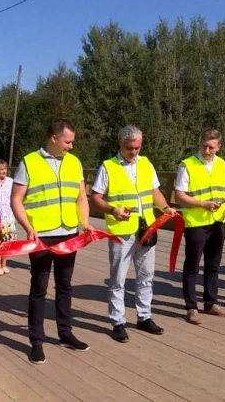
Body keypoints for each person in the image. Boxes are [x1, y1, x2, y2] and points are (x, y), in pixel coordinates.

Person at [10, 120, 94, 364]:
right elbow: (16, 199)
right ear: (54, 139)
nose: (71, 146)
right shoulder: (29, 162)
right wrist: (28, 228)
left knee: (65, 285)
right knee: (39, 287)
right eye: (68, 141)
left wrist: (85, 222)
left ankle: (65, 333)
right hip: (42, 235)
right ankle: (36, 341)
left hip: (69, 232)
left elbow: (81, 197)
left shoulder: (75, 162)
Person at [91, 125, 176, 343]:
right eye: (130, 148)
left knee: (146, 275)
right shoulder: (108, 167)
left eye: (138, 148)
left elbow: (155, 191)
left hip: (146, 227)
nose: (134, 152)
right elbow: (96, 197)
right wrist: (113, 210)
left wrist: (165, 208)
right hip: (121, 231)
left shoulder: (146, 163)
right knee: (118, 279)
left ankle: (144, 316)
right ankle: (118, 321)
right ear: (120, 144)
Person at [173, 129, 225, 325]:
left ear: (219, 147)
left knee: (213, 264)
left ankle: (211, 303)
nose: (207, 150)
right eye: (204, 146)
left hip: (218, 220)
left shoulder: (222, 164)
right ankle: (191, 307)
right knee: (192, 266)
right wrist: (202, 204)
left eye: (211, 147)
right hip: (196, 222)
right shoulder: (188, 164)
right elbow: (179, 195)